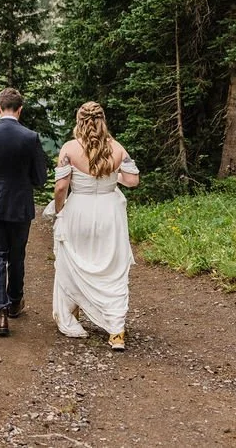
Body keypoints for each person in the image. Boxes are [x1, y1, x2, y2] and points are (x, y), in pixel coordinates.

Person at [47, 101, 139, 351]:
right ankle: (116, 332)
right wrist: (113, 177)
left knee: (75, 262)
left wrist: (59, 211)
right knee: (113, 268)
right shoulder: (118, 148)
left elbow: (61, 186)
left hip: (80, 211)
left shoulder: (69, 149)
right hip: (110, 213)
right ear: (102, 120)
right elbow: (132, 180)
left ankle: (73, 316)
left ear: (79, 121)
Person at [0, 87, 48, 337]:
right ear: (20, 110)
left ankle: (0, 314)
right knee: (17, 255)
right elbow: (39, 178)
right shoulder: (30, 137)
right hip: (19, 206)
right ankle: (15, 302)